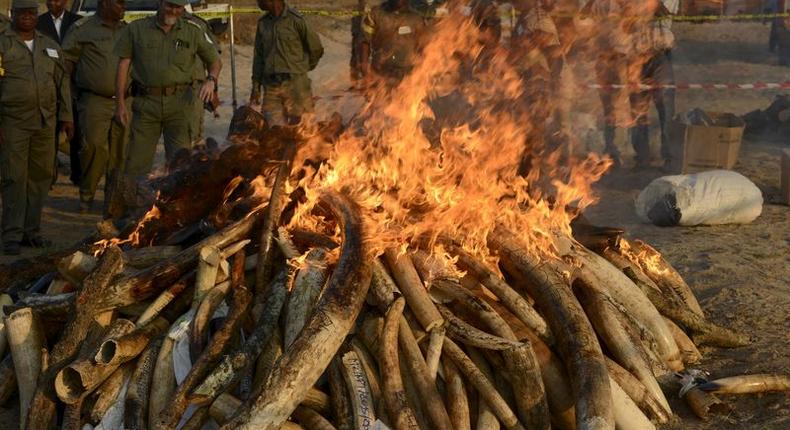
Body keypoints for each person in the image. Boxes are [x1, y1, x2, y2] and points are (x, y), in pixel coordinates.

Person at [113, 0, 221, 183]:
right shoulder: (137, 29)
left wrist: (211, 80)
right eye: (170, 5)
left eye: (178, 7)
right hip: (146, 104)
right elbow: (123, 66)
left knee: (180, 164)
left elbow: (215, 61)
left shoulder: (192, 31)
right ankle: (131, 206)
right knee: (136, 164)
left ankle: (172, 208)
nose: (174, 11)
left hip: (180, 106)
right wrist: (120, 104)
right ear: (159, 3)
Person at [0, 0, 73, 255]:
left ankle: (31, 231)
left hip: (45, 122)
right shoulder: (2, 44)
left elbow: (62, 83)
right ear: (13, 15)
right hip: (13, 122)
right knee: (13, 177)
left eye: (32, 13)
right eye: (22, 13)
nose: (28, 18)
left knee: (41, 177)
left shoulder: (49, 45)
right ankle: (11, 234)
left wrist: (67, 117)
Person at [62, 0, 129, 215]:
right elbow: (66, 62)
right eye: (119, 3)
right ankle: (87, 195)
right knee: (94, 147)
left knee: (121, 150)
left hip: (125, 101)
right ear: (105, 3)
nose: (123, 7)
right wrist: (69, 93)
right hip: (94, 100)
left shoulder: (129, 31)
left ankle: (113, 200)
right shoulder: (83, 29)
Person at [250, 0, 324, 126]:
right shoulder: (263, 24)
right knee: (274, 131)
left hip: (296, 86)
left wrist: (302, 68)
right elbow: (258, 58)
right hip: (271, 86)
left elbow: (316, 48)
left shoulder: (296, 20)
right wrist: (256, 88)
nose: (258, 2)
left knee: (302, 130)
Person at [37, 0, 82, 186]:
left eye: (58, 0)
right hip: (48, 87)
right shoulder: (37, 23)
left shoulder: (79, 23)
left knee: (77, 135)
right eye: (50, 0)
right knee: (49, 136)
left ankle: (78, 176)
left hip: (75, 88)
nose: (54, 3)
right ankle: (49, 177)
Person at [628, 0, 677, 169]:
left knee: (665, 107)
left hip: (660, 55)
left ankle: (669, 157)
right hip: (636, 55)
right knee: (637, 109)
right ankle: (642, 157)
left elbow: (662, 10)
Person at [359, 0, 428, 86]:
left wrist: (421, 72)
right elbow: (364, 41)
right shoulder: (375, 14)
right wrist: (364, 68)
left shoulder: (417, 19)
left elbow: (423, 47)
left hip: (407, 76)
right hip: (380, 73)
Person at [184, 12, 220, 144]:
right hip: (163, 94)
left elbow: (214, 60)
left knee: (193, 138)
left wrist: (214, 89)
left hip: (193, 90)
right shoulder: (153, 25)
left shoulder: (198, 25)